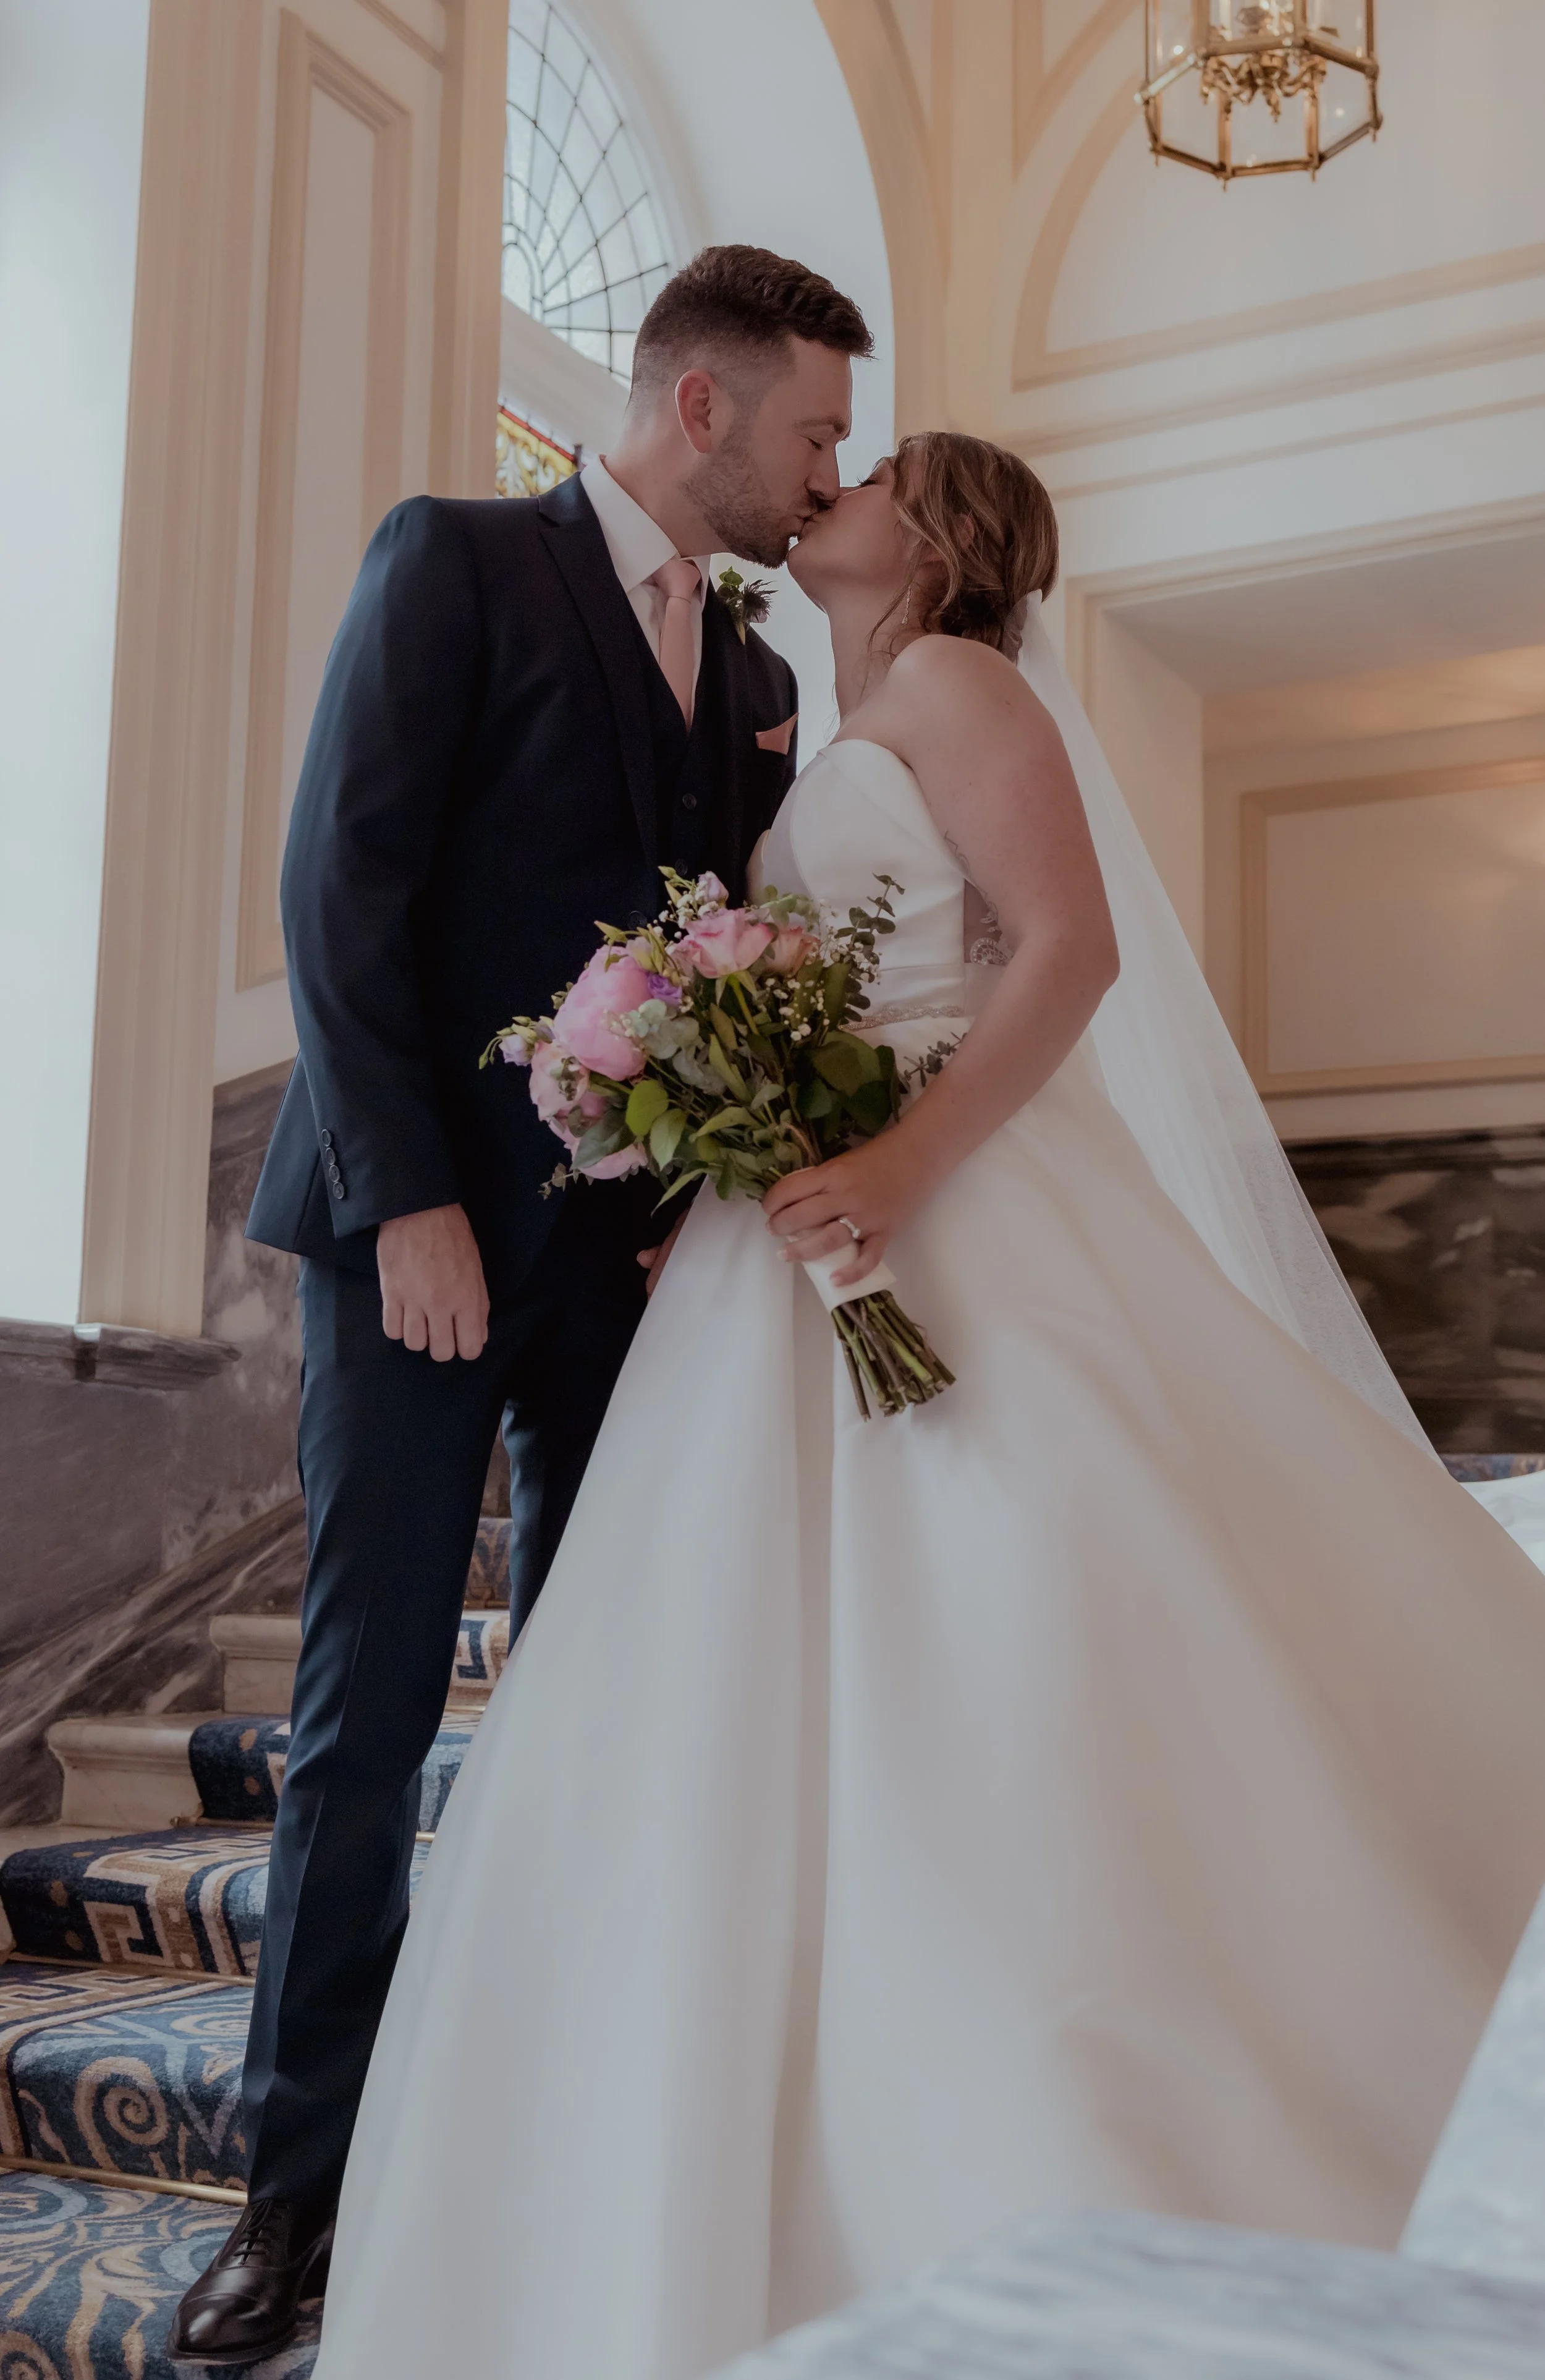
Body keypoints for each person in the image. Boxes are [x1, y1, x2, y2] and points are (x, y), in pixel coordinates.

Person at [312, 435, 1545, 2380]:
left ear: (945, 531)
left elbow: (1067, 951)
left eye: (864, 466)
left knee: (1000, 1610)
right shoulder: (820, 710)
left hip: (949, 1201)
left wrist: (893, 1178)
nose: (828, 486)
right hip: (779, 1239)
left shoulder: (959, 684)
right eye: (819, 445)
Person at [167, 247, 874, 2366]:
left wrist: (692, 1209)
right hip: (420, 1248)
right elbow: (342, 893)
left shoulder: (755, 682)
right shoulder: (457, 560)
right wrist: (406, 1205)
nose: (828, 469)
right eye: (816, 431)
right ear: (701, 411)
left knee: (587, 1716)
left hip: (629, 1275)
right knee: (364, 1721)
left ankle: (530, 2129)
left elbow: (720, 956)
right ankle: (296, 2200)